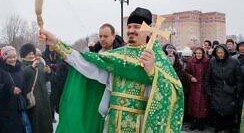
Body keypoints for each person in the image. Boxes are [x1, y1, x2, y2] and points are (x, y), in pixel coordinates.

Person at [39, 7, 184, 132]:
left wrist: (153, 72)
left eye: (137, 27)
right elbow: (86, 64)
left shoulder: (157, 58)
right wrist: (56, 43)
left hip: (138, 124)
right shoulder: (118, 56)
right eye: (129, 26)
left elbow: (173, 92)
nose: (131, 30)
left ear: (149, 31)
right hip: (112, 123)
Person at [0, 46, 30, 133]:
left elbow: (24, 86)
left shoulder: (19, 69)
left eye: (14, 57)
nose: (13, 59)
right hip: (4, 110)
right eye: (9, 57)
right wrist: (10, 89)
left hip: (18, 108)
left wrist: (25, 100)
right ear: (4, 58)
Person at [205, 44, 241, 132]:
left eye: (221, 52)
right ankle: (218, 127)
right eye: (218, 52)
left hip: (230, 90)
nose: (220, 54)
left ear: (225, 52)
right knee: (217, 110)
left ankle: (229, 128)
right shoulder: (212, 62)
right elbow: (208, 77)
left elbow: (239, 78)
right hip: (216, 91)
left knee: (229, 111)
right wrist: (209, 91)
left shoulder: (234, 62)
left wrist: (237, 91)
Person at [20, 43, 53, 133]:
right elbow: (22, 76)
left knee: (45, 123)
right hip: (32, 100)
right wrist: (32, 67)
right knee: (35, 124)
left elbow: (46, 79)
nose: (31, 56)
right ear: (23, 55)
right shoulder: (21, 65)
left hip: (44, 99)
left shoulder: (40, 64)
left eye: (32, 53)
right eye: (29, 54)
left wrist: (49, 72)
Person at [185, 47, 209, 131]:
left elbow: (209, 73)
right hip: (194, 87)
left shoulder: (207, 62)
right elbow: (186, 72)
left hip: (203, 87)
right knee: (193, 105)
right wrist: (190, 77)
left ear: (203, 54)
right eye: (197, 53)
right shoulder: (191, 61)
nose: (198, 55)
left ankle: (201, 123)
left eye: (200, 53)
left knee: (202, 106)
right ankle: (194, 123)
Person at [43, 45, 61, 122]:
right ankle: (50, 116)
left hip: (57, 78)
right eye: (50, 46)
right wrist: (53, 66)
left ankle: (53, 115)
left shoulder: (57, 54)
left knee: (55, 98)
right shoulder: (44, 54)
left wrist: (52, 65)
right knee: (49, 99)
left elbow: (59, 65)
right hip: (48, 78)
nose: (51, 47)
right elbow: (46, 64)